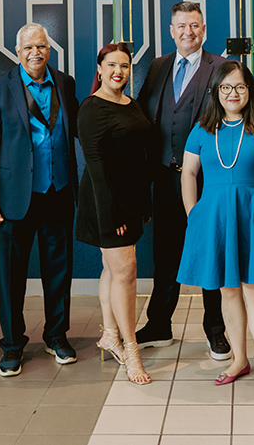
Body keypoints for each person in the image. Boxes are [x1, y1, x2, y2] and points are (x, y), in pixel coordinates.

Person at [177, 61, 254, 403]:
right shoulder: (201, 129)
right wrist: (193, 214)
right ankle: (240, 360)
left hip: (253, 215)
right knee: (228, 293)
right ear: (216, 91)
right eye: (226, 87)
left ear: (249, 91)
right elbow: (188, 173)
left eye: (240, 87)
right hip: (213, 217)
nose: (233, 93)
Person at [0, 23, 80, 377]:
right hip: (13, 199)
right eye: (28, 48)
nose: (35, 53)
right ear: (17, 51)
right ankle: (11, 345)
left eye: (41, 46)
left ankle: (57, 335)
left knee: (59, 272)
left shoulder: (65, 83)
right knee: (11, 276)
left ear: (49, 49)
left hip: (58, 192)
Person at [135, 1, 231, 359]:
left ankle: (215, 330)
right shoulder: (159, 65)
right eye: (181, 25)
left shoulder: (222, 68)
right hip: (163, 179)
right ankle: (159, 324)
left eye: (194, 25)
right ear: (171, 30)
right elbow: (144, 116)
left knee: (211, 255)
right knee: (165, 255)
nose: (188, 32)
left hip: (208, 183)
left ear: (203, 30)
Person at [76, 43, 152, 385]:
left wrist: (143, 203)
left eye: (124, 66)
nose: (118, 71)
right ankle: (131, 349)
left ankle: (109, 334)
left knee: (113, 269)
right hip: (105, 201)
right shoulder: (92, 108)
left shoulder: (129, 103)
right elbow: (95, 165)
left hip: (130, 200)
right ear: (100, 68)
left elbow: (138, 159)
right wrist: (112, 213)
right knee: (126, 272)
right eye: (111, 65)